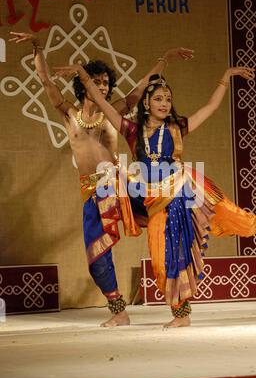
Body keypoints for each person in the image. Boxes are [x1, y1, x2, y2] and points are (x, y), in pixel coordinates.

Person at [52, 63, 256, 328]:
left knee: (223, 214)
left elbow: (209, 109)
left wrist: (225, 76)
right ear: (146, 103)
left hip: (179, 192)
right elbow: (103, 102)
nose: (164, 103)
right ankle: (178, 313)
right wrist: (82, 74)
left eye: (168, 99)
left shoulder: (177, 127)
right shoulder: (131, 130)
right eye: (158, 99)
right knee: (161, 264)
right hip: (153, 201)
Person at [9, 31, 194, 326]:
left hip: (120, 186)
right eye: (97, 81)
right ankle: (119, 312)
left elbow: (140, 86)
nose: (103, 86)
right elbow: (45, 81)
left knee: (168, 224)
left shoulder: (114, 111)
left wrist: (166, 58)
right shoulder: (68, 114)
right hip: (91, 192)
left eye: (106, 81)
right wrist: (36, 45)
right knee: (96, 258)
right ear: (83, 84)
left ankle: (181, 308)